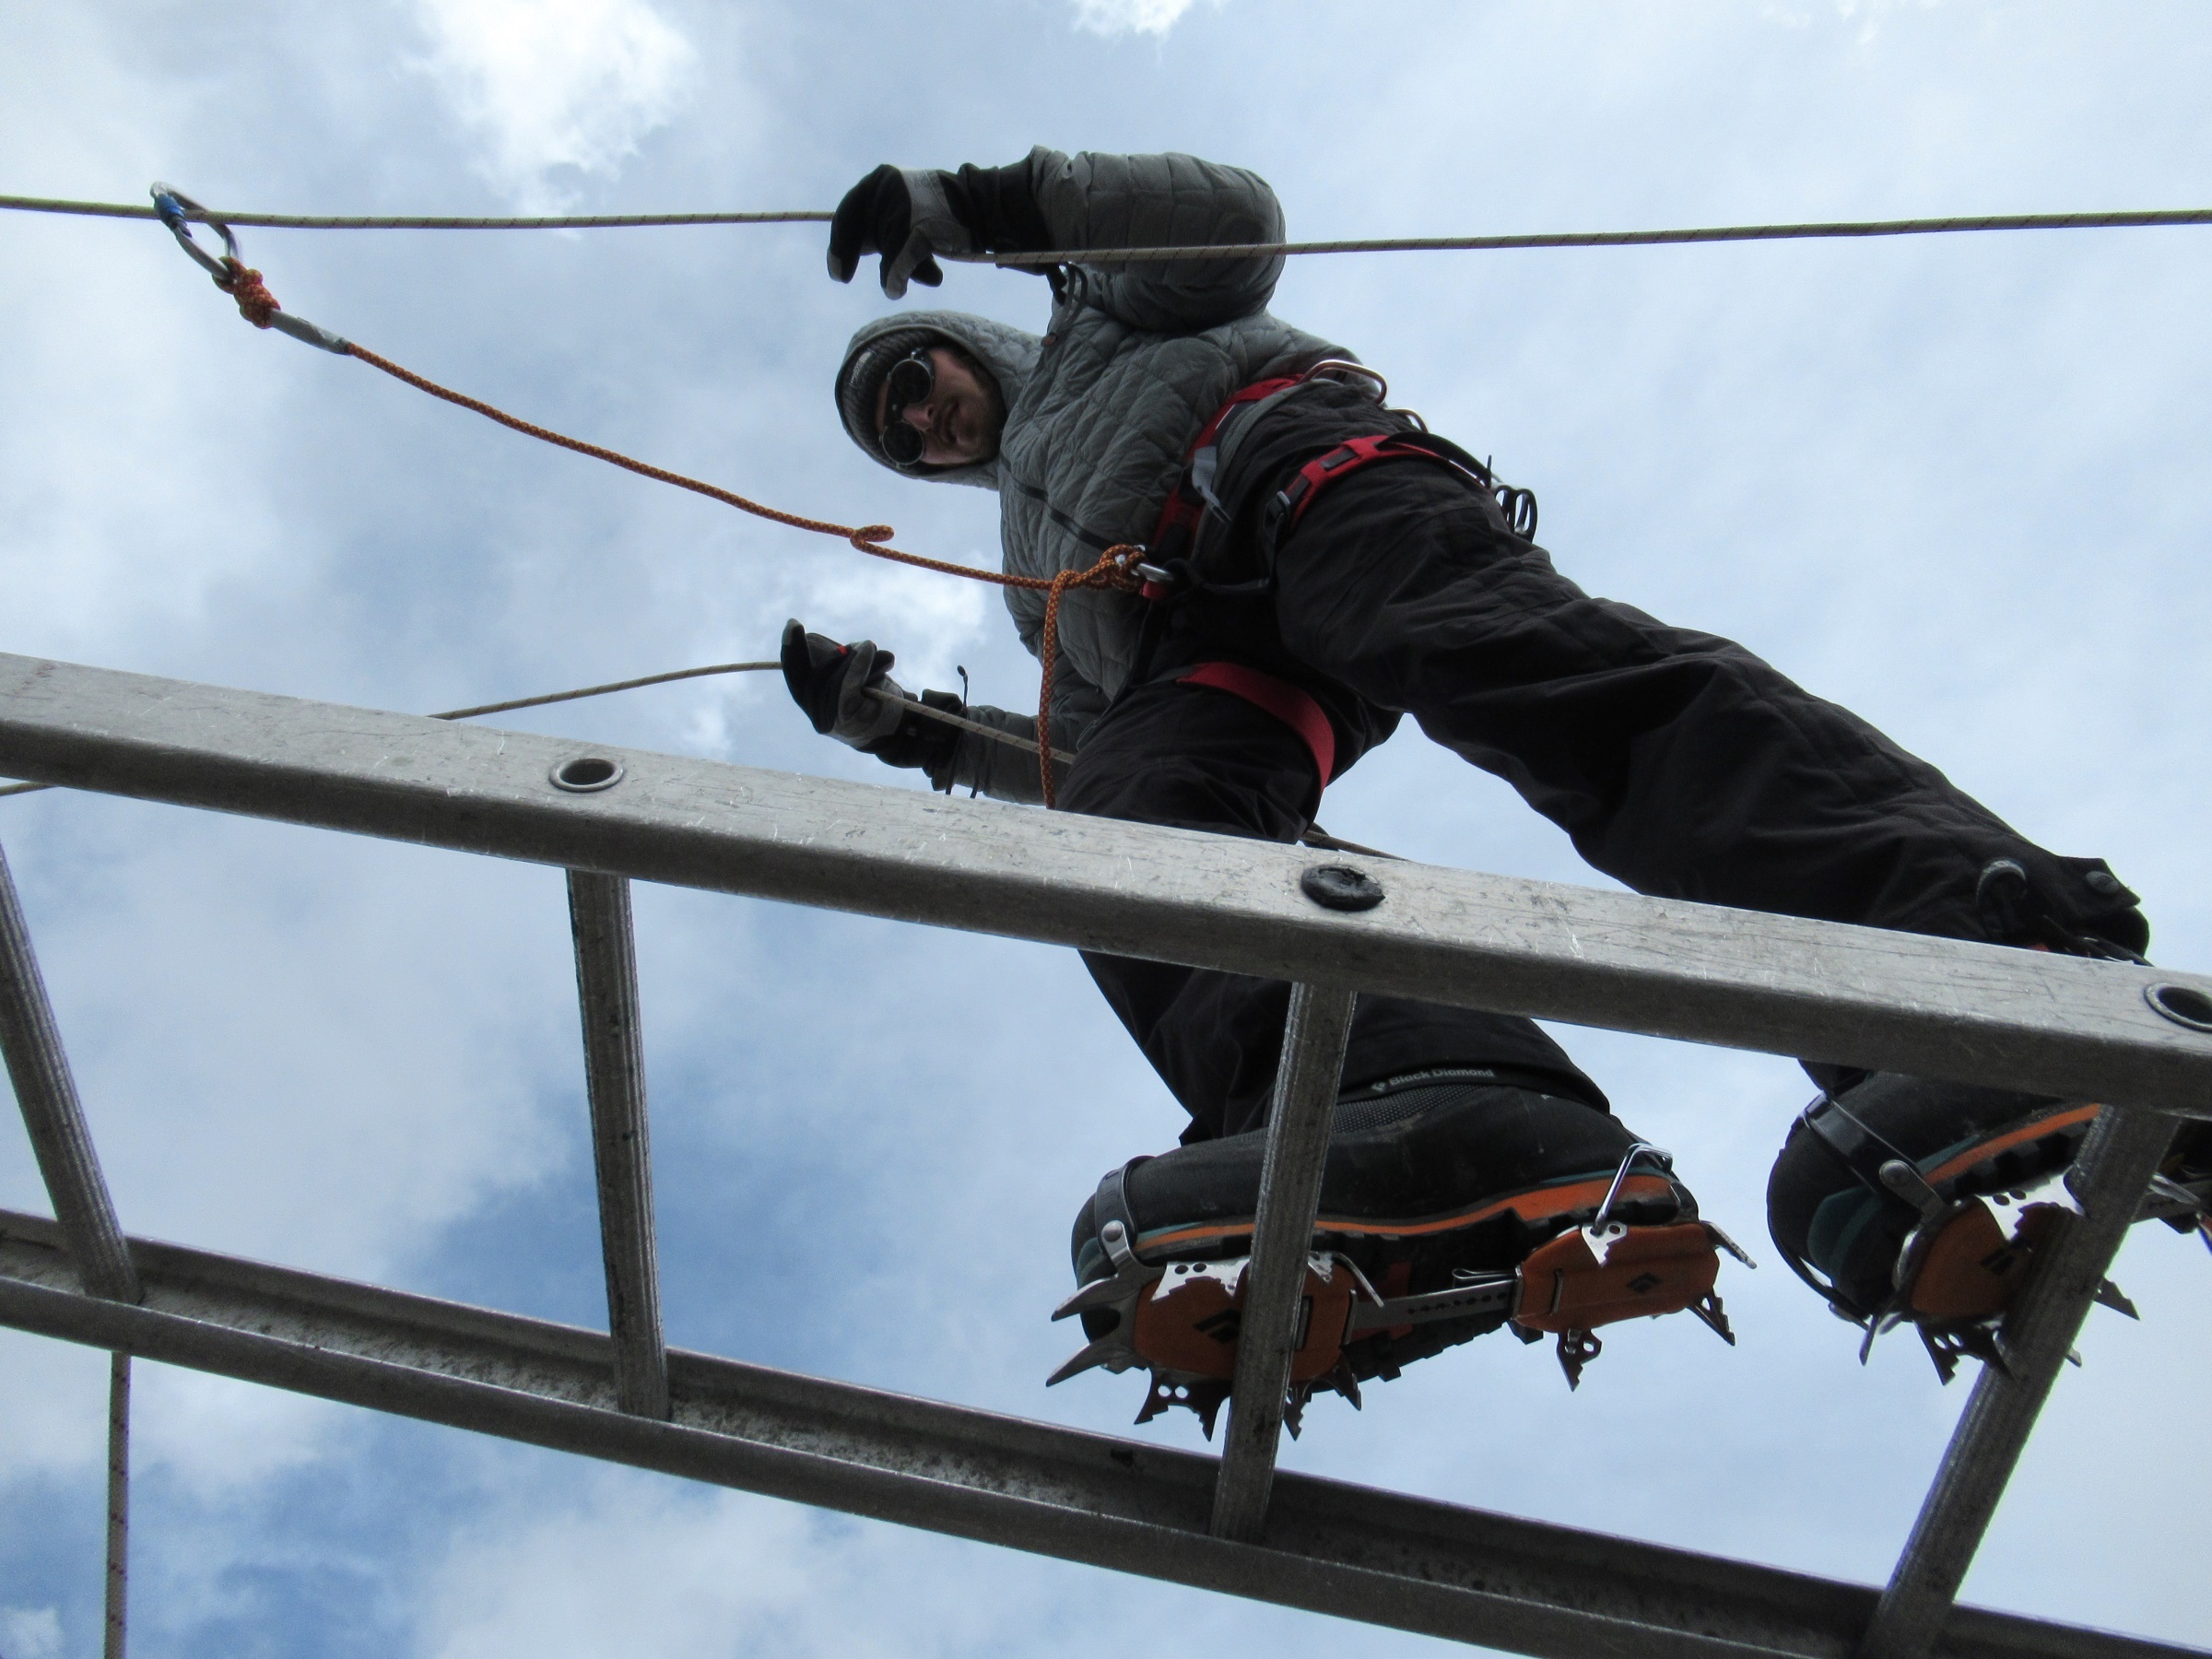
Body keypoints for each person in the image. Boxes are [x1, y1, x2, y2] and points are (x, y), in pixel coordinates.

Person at [782, 149, 2205, 1424]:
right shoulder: (1040, 591)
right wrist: (909, 730)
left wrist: (984, 209)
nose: (918, 425)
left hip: (1297, 479)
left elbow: (1234, 226)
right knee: (1126, 834)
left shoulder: (1104, 312)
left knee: (1513, 671)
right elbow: (1082, 759)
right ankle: (1416, 1102)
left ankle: (1975, 949)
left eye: (914, 382)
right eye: (895, 435)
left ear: (962, 341)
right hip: (1185, 644)